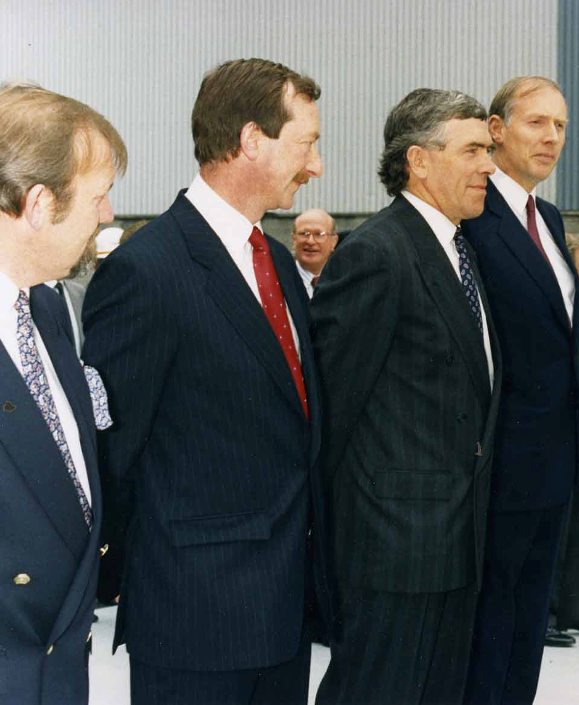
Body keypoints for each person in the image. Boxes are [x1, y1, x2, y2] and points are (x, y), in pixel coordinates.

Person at [81, 58, 327, 705]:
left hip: (284, 610)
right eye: (306, 144)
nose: (316, 165)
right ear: (251, 140)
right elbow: (115, 451)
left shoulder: (274, 261)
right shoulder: (148, 270)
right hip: (196, 619)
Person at [311, 88, 501, 705]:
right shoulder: (376, 254)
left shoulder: (457, 249)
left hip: (454, 543)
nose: (489, 166)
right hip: (394, 551)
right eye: (472, 150)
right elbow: (331, 410)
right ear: (419, 161)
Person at [461, 75, 579, 705]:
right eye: (536, 122)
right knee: (490, 633)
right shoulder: (472, 213)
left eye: (561, 126)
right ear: (496, 130)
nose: (551, 137)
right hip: (498, 472)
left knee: (526, 633)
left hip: (553, 470)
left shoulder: (547, 216)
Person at [0, 82, 125, 705]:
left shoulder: (47, 308)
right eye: (99, 197)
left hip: (58, 667)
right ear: (40, 203)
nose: (106, 216)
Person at [292, 208, 338, 297]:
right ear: (294, 239)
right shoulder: (280, 281)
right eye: (304, 234)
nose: (310, 241)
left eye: (319, 234)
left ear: (333, 241)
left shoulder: (343, 281)